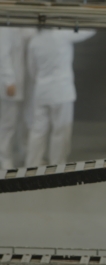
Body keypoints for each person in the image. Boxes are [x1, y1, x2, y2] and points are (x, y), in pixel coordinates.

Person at [26, 29, 95, 167]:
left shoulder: (34, 41)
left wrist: (41, 81)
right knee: (61, 131)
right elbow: (88, 31)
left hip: (42, 91)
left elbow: (32, 70)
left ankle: (31, 164)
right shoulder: (63, 35)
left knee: (38, 130)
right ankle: (57, 165)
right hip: (61, 91)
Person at [0, 27, 36, 169]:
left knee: (26, 120)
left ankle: (25, 152)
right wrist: (9, 80)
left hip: (27, 81)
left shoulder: (26, 25)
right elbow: (3, 54)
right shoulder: (5, 28)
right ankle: (4, 157)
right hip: (12, 84)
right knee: (8, 123)